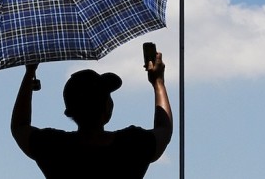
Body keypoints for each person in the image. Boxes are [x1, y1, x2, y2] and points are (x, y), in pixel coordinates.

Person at [11, 51, 173, 178]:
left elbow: (19, 126)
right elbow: (164, 128)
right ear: (106, 107)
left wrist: (29, 72)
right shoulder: (132, 145)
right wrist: (158, 82)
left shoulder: (56, 148)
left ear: (70, 111)